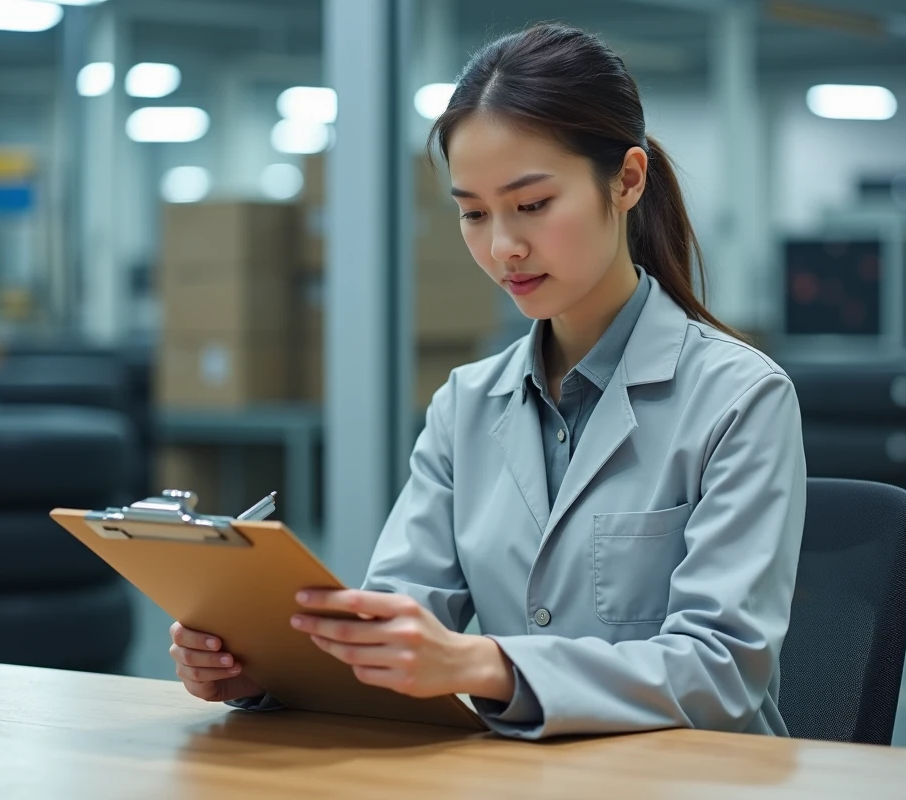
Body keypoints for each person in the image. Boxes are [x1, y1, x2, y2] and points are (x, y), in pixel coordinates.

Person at [169, 22, 806, 741]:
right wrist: (264, 671)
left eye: (532, 205)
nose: (503, 247)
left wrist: (489, 665)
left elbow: (721, 672)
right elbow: (398, 623)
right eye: (473, 213)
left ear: (627, 180)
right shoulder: (465, 406)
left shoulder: (740, 398)